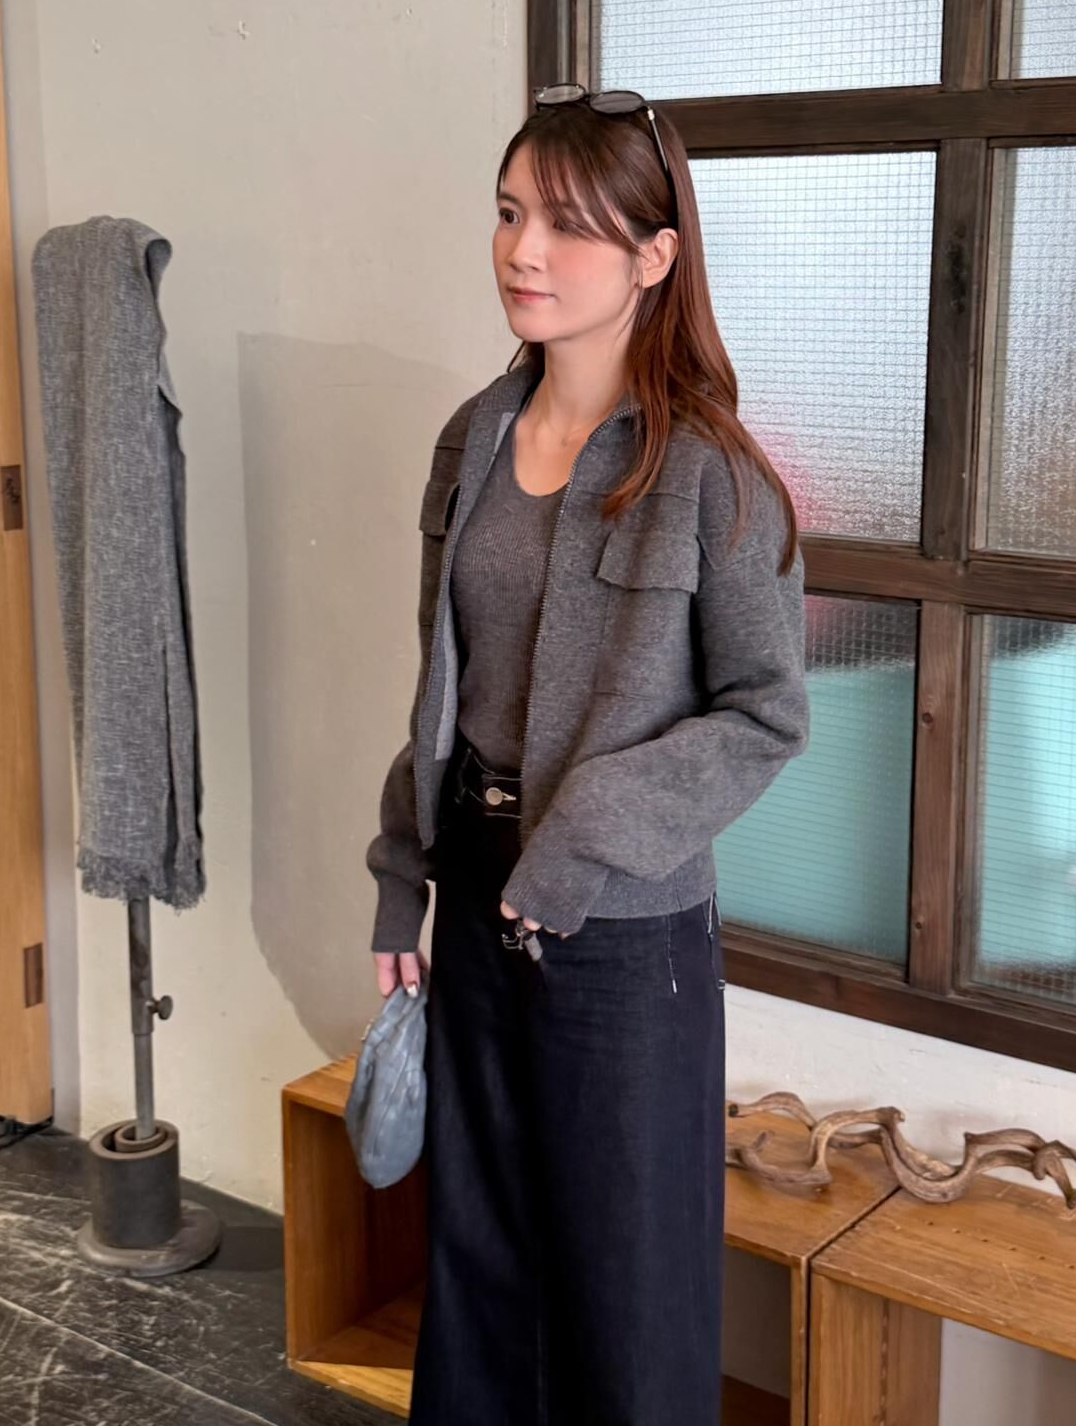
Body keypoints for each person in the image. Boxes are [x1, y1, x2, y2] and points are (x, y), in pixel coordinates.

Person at [366, 83, 810, 1425]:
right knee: (481, 1258)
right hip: (476, 888)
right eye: (510, 214)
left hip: (623, 929)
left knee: (628, 1285)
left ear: (655, 255)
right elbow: (444, 688)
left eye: (568, 225)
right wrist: (403, 875)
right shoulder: (473, 439)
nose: (524, 251)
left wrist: (580, 841)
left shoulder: (714, 476)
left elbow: (765, 716)